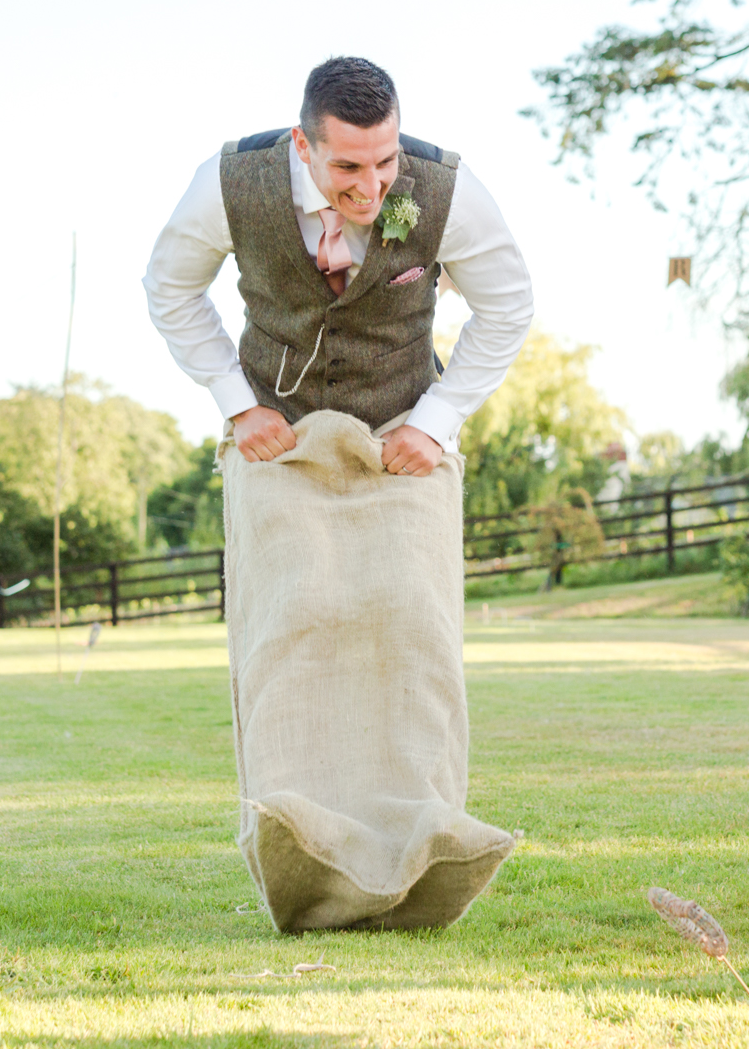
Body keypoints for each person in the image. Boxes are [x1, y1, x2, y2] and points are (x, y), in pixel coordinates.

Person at [144, 55, 533, 927]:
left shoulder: (443, 189)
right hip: (275, 436)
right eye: (350, 166)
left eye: (385, 162)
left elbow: (508, 305)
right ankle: (297, 850)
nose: (374, 183)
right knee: (290, 623)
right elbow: (169, 288)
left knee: (414, 620)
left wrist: (438, 420)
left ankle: (424, 848)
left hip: (403, 433)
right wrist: (236, 406)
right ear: (302, 143)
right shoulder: (231, 182)